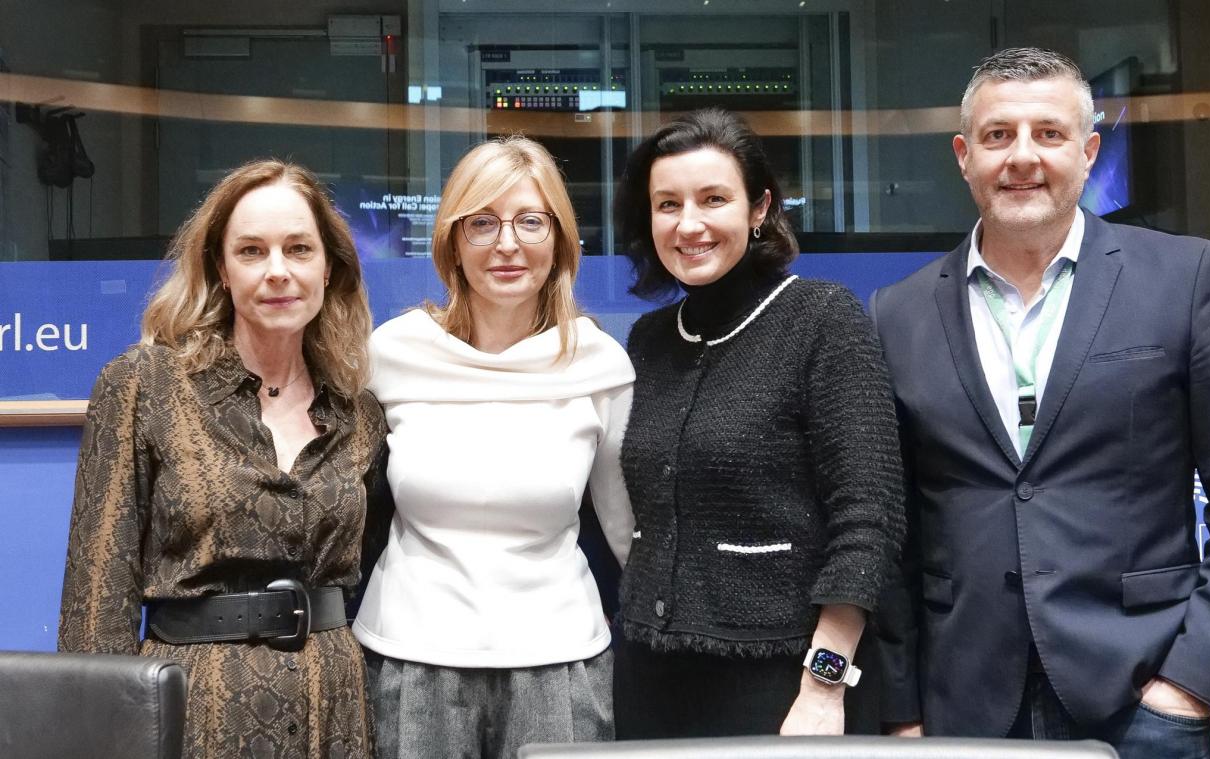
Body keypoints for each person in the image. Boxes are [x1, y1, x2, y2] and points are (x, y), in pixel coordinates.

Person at [871, 48, 1210, 759]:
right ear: (963, 156)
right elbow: (891, 531)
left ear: (1089, 151)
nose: (1022, 157)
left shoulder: (1183, 279)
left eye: (1050, 133)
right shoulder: (897, 313)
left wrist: (1188, 684)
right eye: (998, 135)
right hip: (961, 706)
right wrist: (900, 709)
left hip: (1141, 702)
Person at [58, 159, 387, 757]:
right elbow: (95, 601)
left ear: (330, 266)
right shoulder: (145, 385)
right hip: (194, 707)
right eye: (253, 251)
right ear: (220, 267)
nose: (278, 272)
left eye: (299, 249)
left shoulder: (359, 412)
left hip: (333, 704)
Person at [612, 107, 904, 738]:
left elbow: (868, 517)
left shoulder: (823, 319)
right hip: (651, 675)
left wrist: (825, 682)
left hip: (784, 679)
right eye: (667, 205)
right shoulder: (648, 339)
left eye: (713, 199)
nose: (688, 224)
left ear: (758, 208)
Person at [352, 136, 635, 759]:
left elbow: (627, 535)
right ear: (453, 241)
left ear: (560, 239)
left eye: (530, 222)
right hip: (410, 657)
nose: (507, 244)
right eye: (482, 223)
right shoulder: (393, 354)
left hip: (558, 662)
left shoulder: (601, 364)